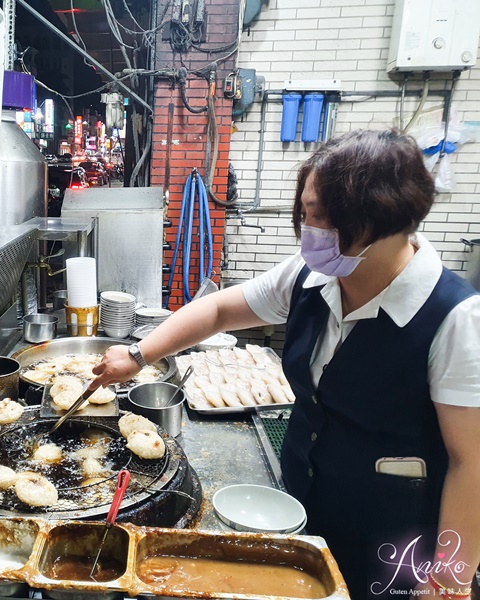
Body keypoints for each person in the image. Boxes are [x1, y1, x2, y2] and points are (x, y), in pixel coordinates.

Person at [90, 129, 480, 598]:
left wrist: (448, 580)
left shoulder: (455, 319)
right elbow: (218, 309)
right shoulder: (312, 275)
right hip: (303, 507)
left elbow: (471, 463)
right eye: (306, 210)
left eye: (319, 214)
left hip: (391, 547)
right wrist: (138, 355)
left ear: (377, 218)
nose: (307, 226)